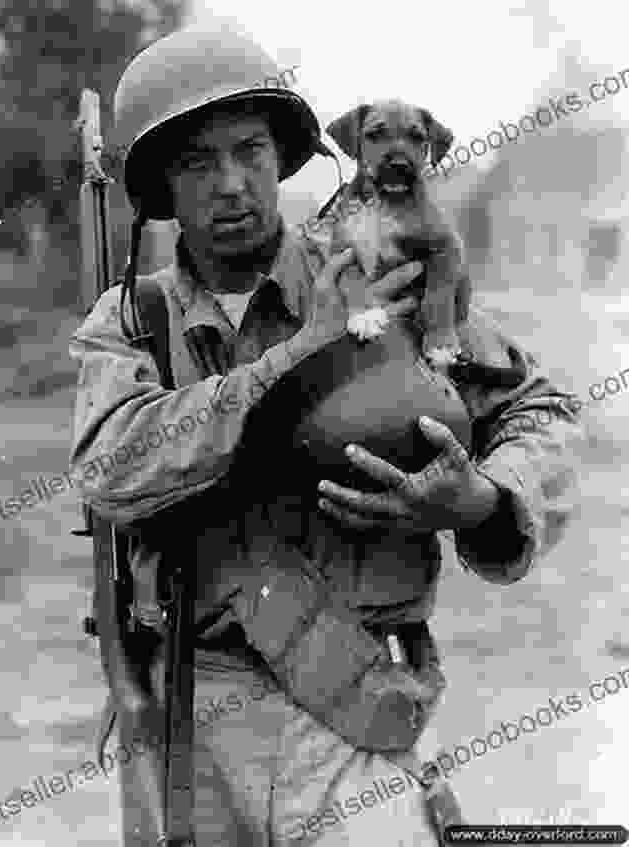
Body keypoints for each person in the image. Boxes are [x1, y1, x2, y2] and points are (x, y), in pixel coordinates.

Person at [69, 19, 583, 847]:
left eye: (251, 151)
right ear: (162, 185)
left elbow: (542, 412)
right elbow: (109, 465)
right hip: (193, 715)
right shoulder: (131, 321)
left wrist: (484, 497)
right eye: (199, 161)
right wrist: (296, 362)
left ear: (285, 160)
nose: (232, 183)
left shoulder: (372, 267)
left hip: (358, 703)